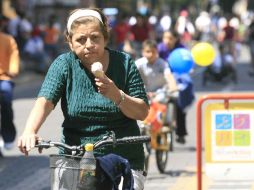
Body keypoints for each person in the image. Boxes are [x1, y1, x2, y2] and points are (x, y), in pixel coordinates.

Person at [17, 8, 149, 189]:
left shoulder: (124, 63)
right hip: (75, 157)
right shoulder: (64, 64)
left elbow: (142, 112)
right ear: (70, 43)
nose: (89, 44)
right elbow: (45, 102)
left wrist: (117, 95)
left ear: (105, 39)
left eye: (95, 37)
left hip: (123, 158)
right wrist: (30, 130)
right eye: (80, 39)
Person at [0, 14, 20, 151]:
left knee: (6, 97)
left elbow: (14, 57)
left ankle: (7, 135)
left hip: (4, 77)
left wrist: (13, 70)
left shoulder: (8, 39)